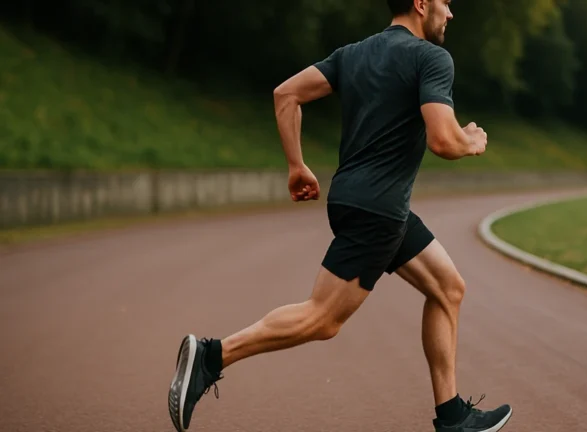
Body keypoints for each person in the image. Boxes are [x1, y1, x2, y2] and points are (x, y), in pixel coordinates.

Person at [167, 0, 513, 431]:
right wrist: (470, 140)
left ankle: (452, 415)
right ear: (421, 4)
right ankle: (212, 355)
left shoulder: (354, 53)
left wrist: (297, 165)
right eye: (445, 2)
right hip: (379, 211)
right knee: (322, 318)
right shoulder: (432, 58)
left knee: (448, 288)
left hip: (362, 200)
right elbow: (443, 141)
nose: (451, 12)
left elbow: (285, 94)